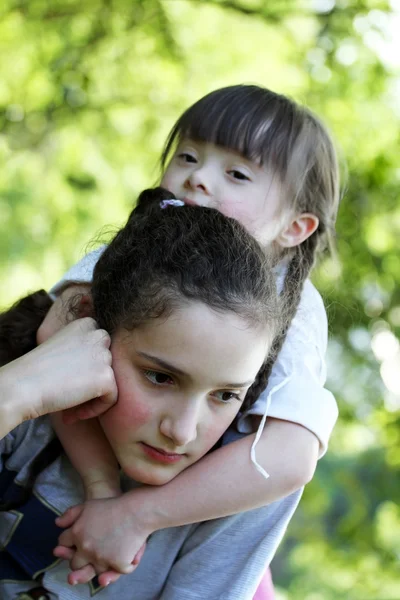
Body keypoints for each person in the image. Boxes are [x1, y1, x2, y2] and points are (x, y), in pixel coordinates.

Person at [37, 85, 341, 589]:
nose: (198, 178)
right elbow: (56, 337)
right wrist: (102, 490)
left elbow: (290, 455)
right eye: (188, 156)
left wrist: (140, 514)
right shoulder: (142, 246)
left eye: (236, 174)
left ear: (295, 226)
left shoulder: (293, 305)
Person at [1, 190, 298, 599]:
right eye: (160, 377)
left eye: (225, 395)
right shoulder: (20, 398)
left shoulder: (246, 488)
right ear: (89, 326)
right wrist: (17, 393)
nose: (181, 431)